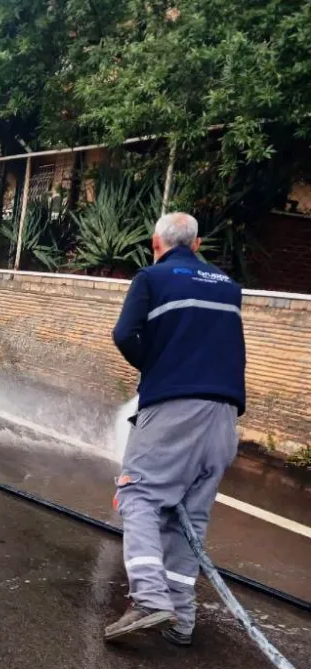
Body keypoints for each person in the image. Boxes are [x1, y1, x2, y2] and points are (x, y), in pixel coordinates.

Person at [105, 212, 246, 646]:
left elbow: (125, 334)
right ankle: (182, 622)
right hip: (224, 417)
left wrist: (156, 366)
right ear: (198, 244)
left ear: (154, 242)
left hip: (173, 408)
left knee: (139, 494)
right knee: (190, 517)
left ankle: (149, 599)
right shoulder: (228, 286)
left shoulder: (152, 278)